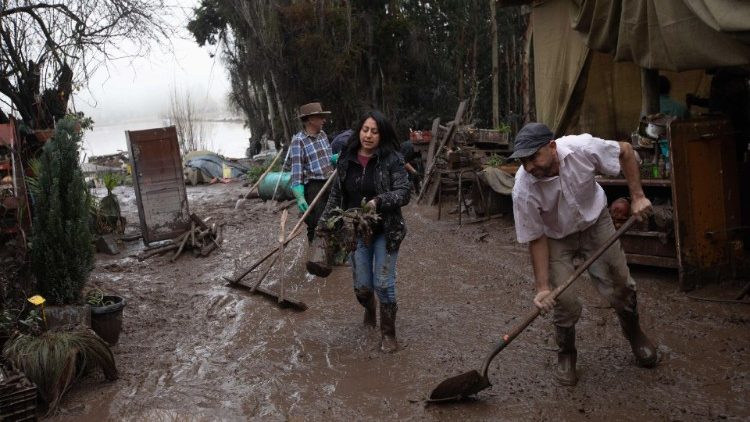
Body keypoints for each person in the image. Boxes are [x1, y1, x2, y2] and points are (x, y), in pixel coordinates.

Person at [510, 122, 658, 386]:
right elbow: (536, 238)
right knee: (563, 301)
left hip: (595, 222)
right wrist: (543, 287)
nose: (529, 167)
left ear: (552, 147)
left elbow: (625, 151)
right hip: (555, 237)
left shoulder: (582, 148)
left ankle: (634, 334)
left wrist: (637, 196)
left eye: (533, 157)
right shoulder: (523, 188)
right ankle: (566, 353)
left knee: (622, 286)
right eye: (523, 161)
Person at [318, 110, 410, 353]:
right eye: (365, 130)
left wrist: (378, 201)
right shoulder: (346, 159)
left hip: (386, 230)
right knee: (362, 287)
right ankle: (369, 310)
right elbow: (337, 196)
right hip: (355, 230)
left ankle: (388, 334)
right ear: (359, 131)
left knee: (383, 284)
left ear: (382, 135)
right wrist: (324, 225)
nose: (368, 135)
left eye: (374, 131)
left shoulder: (392, 159)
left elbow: (404, 192)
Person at [290, 102, 338, 242]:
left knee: (336, 219)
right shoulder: (298, 141)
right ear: (310, 119)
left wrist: (334, 159)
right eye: (320, 117)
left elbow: (327, 158)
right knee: (316, 225)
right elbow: (296, 173)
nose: (324, 120)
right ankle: (314, 259)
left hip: (330, 182)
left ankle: (334, 256)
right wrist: (299, 196)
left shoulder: (323, 135)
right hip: (314, 188)